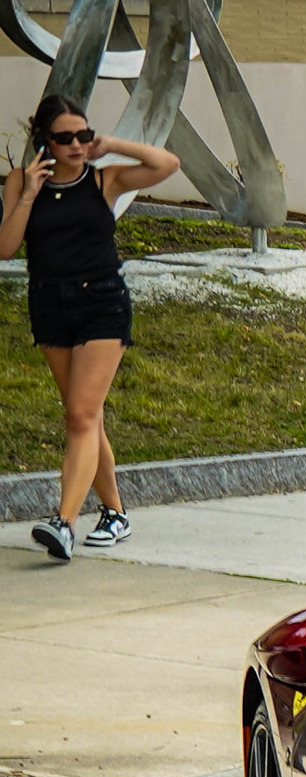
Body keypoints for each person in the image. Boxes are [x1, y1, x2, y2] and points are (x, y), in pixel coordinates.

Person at [0, 95, 178, 560]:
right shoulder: (22, 181)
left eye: (83, 134)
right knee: (87, 416)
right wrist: (27, 196)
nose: (77, 144)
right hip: (50, 304)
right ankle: (115, 513)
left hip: (102, 301)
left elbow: (167, 164)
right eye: (65, 138)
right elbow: (5, 247)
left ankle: (64, 523)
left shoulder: (105, 177)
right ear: (45, 140)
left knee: (80, 415)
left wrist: (112, 144)